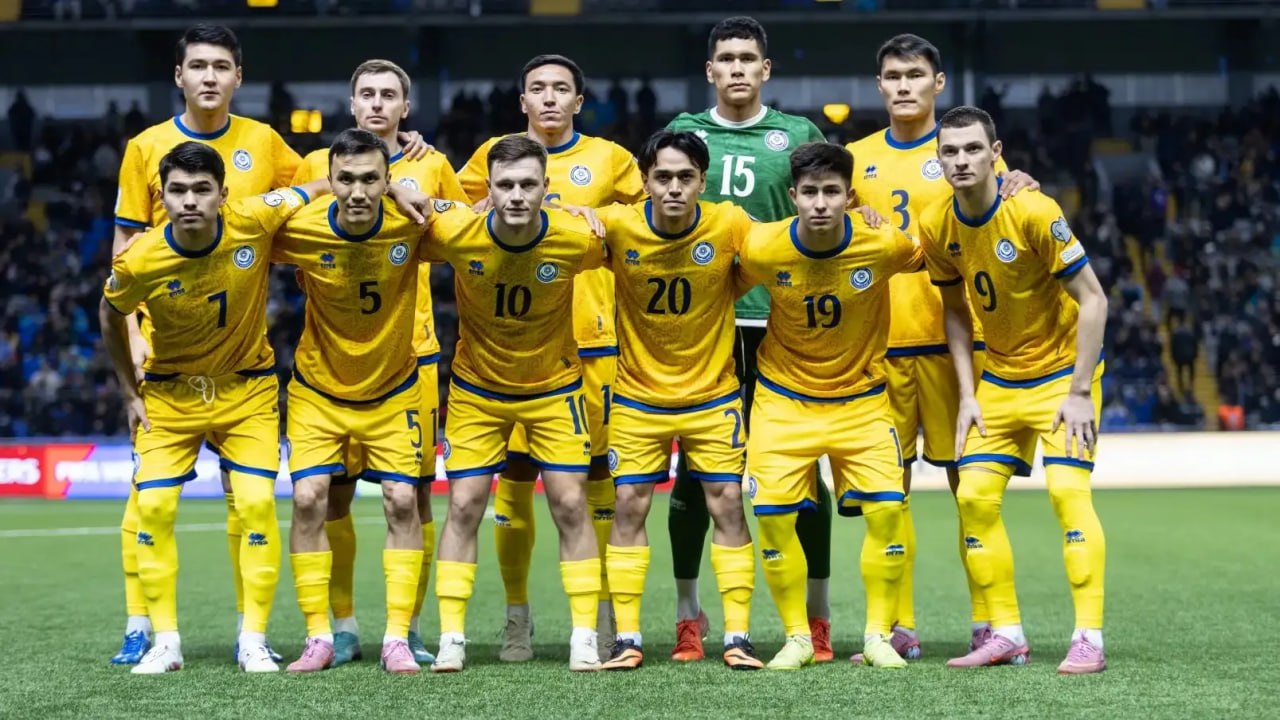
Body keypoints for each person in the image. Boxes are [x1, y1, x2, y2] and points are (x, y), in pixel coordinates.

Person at [108, 23, 301, 667]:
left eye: (221, 66)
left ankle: (252, 635)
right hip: (166, 357)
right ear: (179, 76)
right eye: (198, 65)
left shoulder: (264, 141)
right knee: (147, 500)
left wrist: (399, 159)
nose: (210, 76)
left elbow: (323, 183)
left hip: (241, 355)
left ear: (238, 77)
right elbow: (124, 255)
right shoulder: (145, 147)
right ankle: (143, 625)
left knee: (250, 502)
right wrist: (133, 344)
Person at [845, 33, 1037, 662]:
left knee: (971, 491)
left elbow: (1014, 208)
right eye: (893, 76)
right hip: (880, 346)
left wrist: (1023, 182)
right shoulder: (854, 159)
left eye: (915, 75)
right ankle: (896, 627)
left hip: (959, 342)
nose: (904, 85)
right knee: (887, 498)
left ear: (938, 83)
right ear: (879, 85)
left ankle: (989, 622)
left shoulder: (965, 151)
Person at [458, 53, 644, 663]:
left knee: (594, 485)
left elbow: (651, 216)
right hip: (515, 352)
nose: (549, 97)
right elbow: (445, 209)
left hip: (594, 343)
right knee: (513, 484)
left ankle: (606, 615)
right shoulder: (493, 156)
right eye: (537, 88)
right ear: (522, 101)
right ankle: (517, 618)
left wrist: (604, 214)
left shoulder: (610, 159)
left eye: (561, 88)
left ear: (578, 101)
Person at [664, 15, 835, 663]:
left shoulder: (798, 135)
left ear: (766, 69)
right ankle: (688, 616)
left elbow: (835, 203)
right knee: (695, 475)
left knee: (803, 473)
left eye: (748, 59)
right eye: (726, 59)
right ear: (710, 70)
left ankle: (817, 617)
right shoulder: (684, 133)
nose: (737, 68)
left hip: (783, 327)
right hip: (704, 328)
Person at [290, 58, 468, 668]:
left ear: (405, 107)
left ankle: (406, 628)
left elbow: (466, 231)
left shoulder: (433, 164)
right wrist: (390, 186)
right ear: (350, 103)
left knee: (410, 499)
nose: (376, 103)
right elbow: (293, 224)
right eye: (366, 93)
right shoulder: (315, 165)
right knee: (327, 498)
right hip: (334, 358)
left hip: (411, 356)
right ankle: (339, 628)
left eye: (388, 94)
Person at [919, 106, 1110, 675]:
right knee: (973, 499)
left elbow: (1094, 299)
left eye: (973, 149)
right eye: (950, 151)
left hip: (1061, 379)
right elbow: (955, 311)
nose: (961, 160)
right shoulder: (936, 223)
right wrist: (968, 393)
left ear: (995, 153)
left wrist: (1080, 391)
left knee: (1068, 494)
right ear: (938, 158)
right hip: (999, 381)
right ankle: (1006, 634)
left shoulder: (1032, 209)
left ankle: (1089, 638)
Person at [427, 135, 606, 674]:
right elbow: (395, 209)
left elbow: (638, 235)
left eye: (529, 184)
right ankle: (452, 638)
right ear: (489, 188)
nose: (517, 195)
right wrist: (401, 186)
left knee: (571, 505)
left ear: (547, 187)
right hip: (477, 392)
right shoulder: (456, 231)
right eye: (505, 185)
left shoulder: (575, 237)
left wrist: (594, 213)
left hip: (554, 389)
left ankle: (584, 636)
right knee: (463, 506)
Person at [737, 142, 919, 671]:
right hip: (783, 401)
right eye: (810, 192)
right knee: (773, 521)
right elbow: (721, 282)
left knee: (888, 513)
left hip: (862, 402)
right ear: (793, 195)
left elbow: (935, 253)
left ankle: (877, 637)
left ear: (850, 196)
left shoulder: (882, 243)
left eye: (832, 192)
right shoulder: (763, 246)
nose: (820, 203)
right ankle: (797, 638)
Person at [597, 130, 762, 672]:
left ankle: (738, 636)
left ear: (702, 181)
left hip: (712, 396)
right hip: (638, 397)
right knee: (630, 504)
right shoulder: (618, 225)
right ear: (644, 182)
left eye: (685, 177)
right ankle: (626, 638)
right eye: (663, 177)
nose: (673, 187)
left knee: (728, 504)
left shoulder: (729, 223)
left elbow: (780, 243)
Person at [272, 129, 432, 675]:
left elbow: (486, 219)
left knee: (402, 501)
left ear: (388, 180)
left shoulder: (414, 223)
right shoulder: (301, 228)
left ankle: (397, 638)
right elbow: (240, 229)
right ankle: (319, 635)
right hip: (319, 391)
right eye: (345, 179)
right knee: (309, 499)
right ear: (330, 179)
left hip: (392, 390)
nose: (358, 191)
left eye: (370, 179)